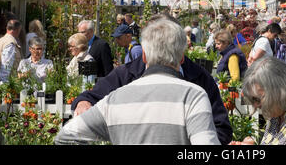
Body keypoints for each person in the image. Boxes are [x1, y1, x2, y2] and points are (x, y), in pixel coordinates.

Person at [71, 14, 233, 145]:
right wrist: (83, 102)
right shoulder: (127, 74)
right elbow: (91, 96)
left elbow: (221, 128)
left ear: (181, 50)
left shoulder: (199, 77)